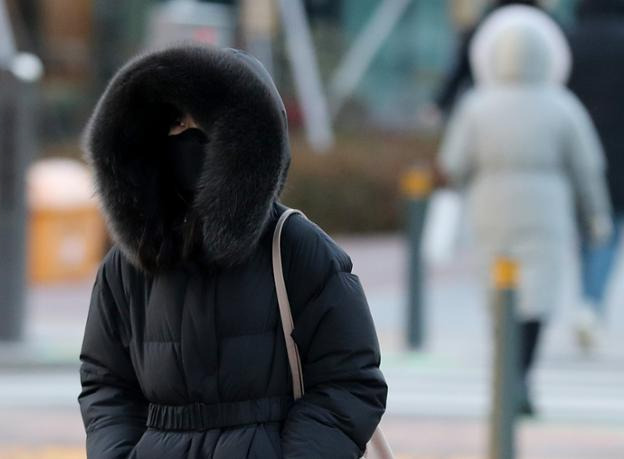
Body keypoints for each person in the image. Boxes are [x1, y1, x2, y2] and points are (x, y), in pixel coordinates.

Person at [78, 45, 387, 459]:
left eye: (202, 121)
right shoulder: (128, 265)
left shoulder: (294, 246)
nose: (187, 136)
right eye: (174, 122)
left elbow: (350, 379)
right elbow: (106, 383)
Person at [438, 5, 611, 415]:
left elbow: (454, 165)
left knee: (501, 294)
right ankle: (522, 376)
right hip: (547, 214)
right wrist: (596, 216)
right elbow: (587, 168)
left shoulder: (477, 106)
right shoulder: (563, 105)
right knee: (538, 297)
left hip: (491, 212)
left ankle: (506, 375)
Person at [567, 0, 624, 349]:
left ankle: (586, 297)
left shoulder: (568, 39)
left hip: (574, 150)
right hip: (619, 153)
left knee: (582, 228)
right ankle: (591, 302)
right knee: (609, 227)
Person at [433, 0, 541, 116]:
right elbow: (461, 67)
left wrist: (440, 103)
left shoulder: (485, 23)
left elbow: (460, 68)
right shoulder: (485, 24)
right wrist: (440, 103)